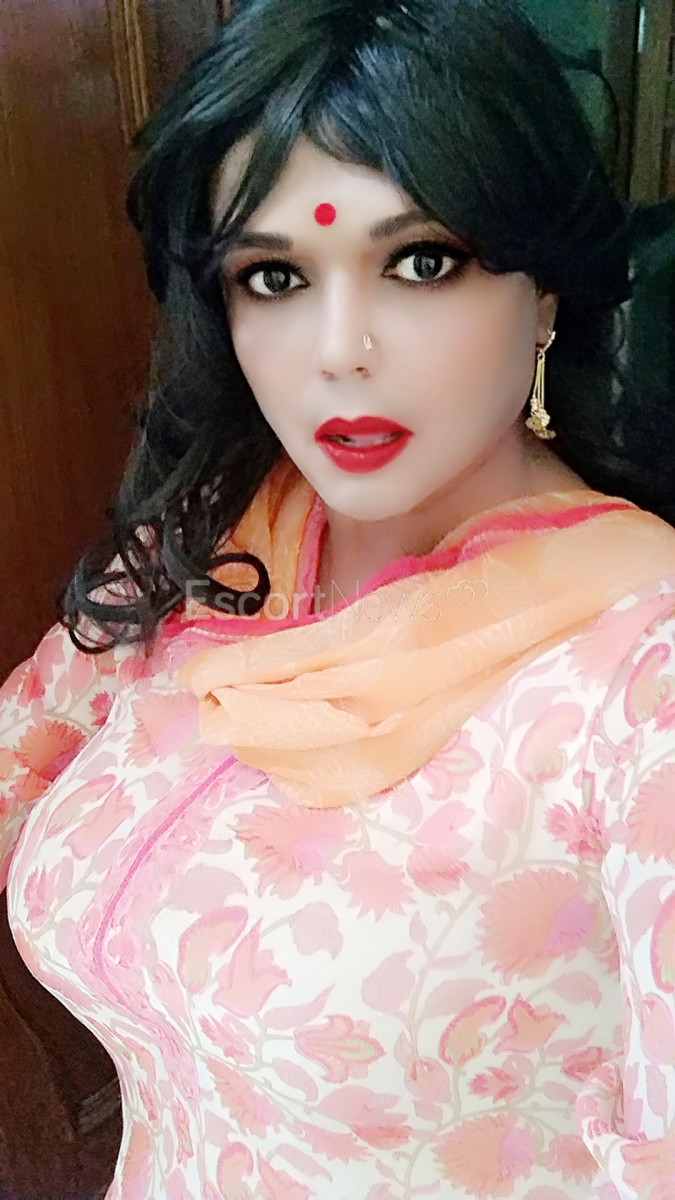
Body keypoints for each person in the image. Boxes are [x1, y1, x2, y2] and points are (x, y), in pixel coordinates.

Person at [1, 1, 675, 1196]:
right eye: (274, 276)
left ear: (547, 293)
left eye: (421, 262)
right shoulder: (211, 552)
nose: (338, 349)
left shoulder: (643, 685)